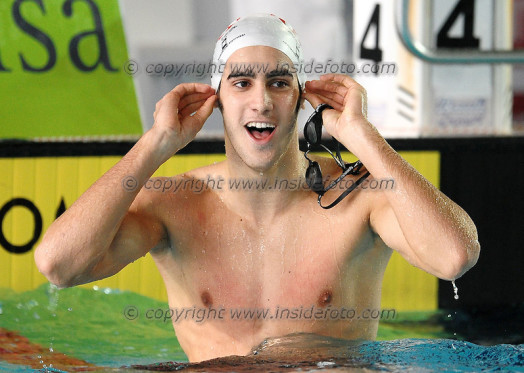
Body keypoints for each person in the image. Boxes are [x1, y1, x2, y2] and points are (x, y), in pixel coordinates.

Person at [34, 14, 480, 362]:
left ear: (302, 97)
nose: (262, 100)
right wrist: (154, 144)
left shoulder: (357, 195)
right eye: (242, 82)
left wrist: (363, 137)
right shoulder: (173, 204)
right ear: (217, 99)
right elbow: (59, 265)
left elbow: (454, 256)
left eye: (280, 83)